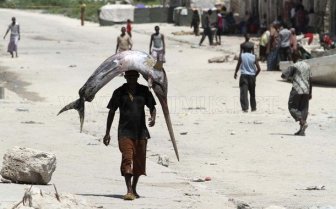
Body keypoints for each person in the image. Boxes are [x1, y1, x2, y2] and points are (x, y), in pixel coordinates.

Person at [103, 70, 157, 200]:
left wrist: (153, 117)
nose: (132, 79)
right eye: (129, 77)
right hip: (124, 132)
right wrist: (107, 133)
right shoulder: (118, 92)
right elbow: (111, 112)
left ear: (138, 77)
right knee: (127, 159)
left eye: (134, 77)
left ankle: (134, 188)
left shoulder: (144, 91)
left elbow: (152, 106)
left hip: (141, 132)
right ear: (125, 77)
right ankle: (128, 191)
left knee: (139, 162)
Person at [281, 52, 312, 136]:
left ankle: (302, 121)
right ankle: (302, 130)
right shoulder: (307, 66)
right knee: (303, 109)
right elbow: (310, 80)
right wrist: (310, 93)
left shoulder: (294, 66)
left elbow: (283, 75)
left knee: (292, 107)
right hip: (306, 90)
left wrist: (291, 77)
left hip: (297, 89)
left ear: (294, 57)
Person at [234, 46, 261, 112]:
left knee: (244, 93)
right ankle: (253, 108)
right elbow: (259, 69)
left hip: (244, 76)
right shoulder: (254, 56)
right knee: (252, 93)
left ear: (243, 50)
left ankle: (245, 108)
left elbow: (238, 65)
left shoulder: (242, 56)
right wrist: (254, 76)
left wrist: (235, 72)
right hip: (252, 76)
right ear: (251, 50)